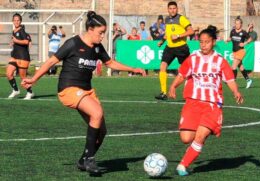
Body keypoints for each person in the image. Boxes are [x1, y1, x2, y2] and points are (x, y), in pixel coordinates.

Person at [22, 11, 146, 175]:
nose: (102, 36)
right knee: (97, 112)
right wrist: (34, 79)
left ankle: (83, 160)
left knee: (102, 131)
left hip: (86, 90)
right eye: (100, 32)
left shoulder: (97, 48)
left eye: (104, 33)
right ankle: (89, 159)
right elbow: (52, 61)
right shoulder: (73, 43)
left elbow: (110, 63)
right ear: (90, 29)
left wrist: (133, 69)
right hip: (68, 88)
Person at [168, 25, 243, 176]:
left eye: (207, 42)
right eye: (201, 42)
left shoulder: (220, 61)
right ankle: (197, 142)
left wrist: (236, 92)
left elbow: (229, 79)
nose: (203, 45)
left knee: (201, 135)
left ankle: (183, 165)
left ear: (213, 42)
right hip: (193, 102)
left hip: (212, 105)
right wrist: (173, 86)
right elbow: (182, 74)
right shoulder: (193, 58)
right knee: (186, 138)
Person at [154, 1, 194, 100]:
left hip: (181, 48)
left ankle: (190, 93)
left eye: (174, 8)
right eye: (170, 8)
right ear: (168, 10)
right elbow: (168, 33)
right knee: (162, 67)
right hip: (170, 48)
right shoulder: (167, 19)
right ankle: (163, 93)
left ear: (177, 9)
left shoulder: (181, 18)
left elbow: (191, 31)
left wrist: (179, 36)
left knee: (188, 71)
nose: (172, 10)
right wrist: (162, 41)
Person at [6, 13, 34, 100]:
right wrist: (13, 42)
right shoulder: (14, 31)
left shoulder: (22, 30)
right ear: (12, 21)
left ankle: (30, 92)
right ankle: (15, 90)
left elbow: (26, 42)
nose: (16, 22)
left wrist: (16, 40)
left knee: (23, 77)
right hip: (15, 56)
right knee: (9, 73)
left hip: (23, 56)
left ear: (20, 21)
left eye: (18, 20)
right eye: (15, 20)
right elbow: (17, 40)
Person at [227, 16, 253, 89]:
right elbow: (231, 38)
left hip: (240, 51)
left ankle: (233, 82)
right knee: (241, 67)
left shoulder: (244, 32)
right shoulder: (232, 31)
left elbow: (250, 39)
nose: (237, 25)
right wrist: (228, 40)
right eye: (236, 23)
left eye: (238, 24)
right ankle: (248, 80)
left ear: (241, 24)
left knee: (233, 66)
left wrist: (244, 43)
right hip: (234, 51)